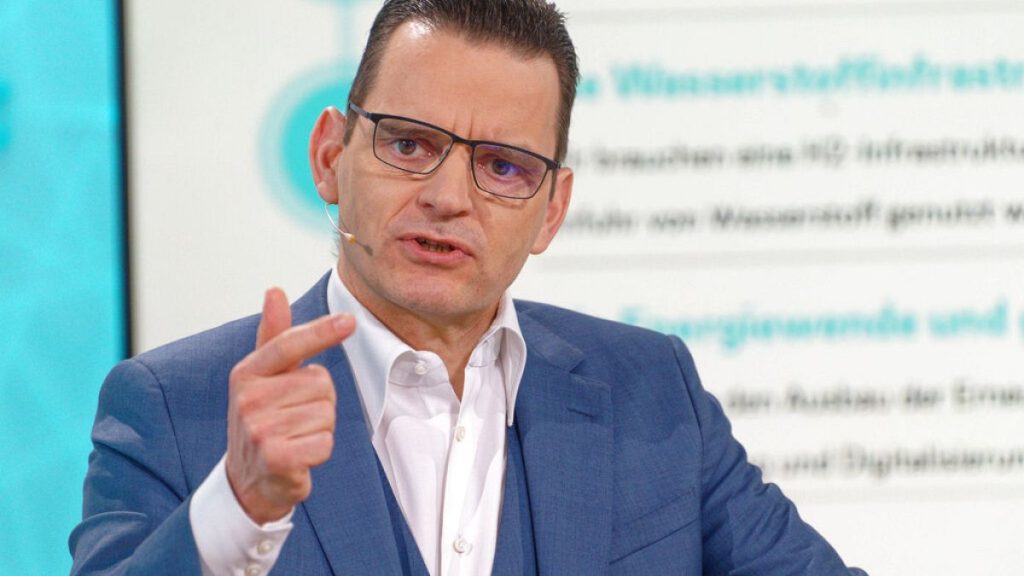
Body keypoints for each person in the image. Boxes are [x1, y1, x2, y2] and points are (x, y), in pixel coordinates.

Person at [70, 0, 867, 574]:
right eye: (410, 145)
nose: (448, 196)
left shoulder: (652, 392)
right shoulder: (173, 406)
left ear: (551, 210)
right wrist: (239, 506)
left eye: (504, 166)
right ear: (330, 157)